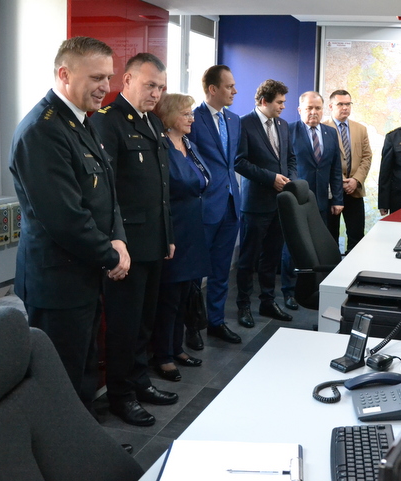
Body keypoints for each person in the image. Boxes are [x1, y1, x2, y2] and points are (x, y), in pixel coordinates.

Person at [9, 37, 129, 417]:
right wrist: (112, 255)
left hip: (83, 273)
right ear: (64, 74)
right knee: (59, 382)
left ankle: (85, 443)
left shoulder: (80, 120)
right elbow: (64, 218)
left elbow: (107, 192)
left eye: (108, 77)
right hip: (57, 282)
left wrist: (119, 240)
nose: (105, 87)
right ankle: (63, 449)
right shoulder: (42, 130)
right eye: (96, 77)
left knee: (83, 371)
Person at [90, 53, 177, 427]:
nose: (156, 93)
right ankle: (121, 395)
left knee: (144, 321)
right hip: (126, 245)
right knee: (124, 326)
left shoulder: (152, 122)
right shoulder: (108, 121)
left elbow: (161, 189)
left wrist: (167, 235)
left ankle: (140, 382)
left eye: (161, 87)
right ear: (126, 81)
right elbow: (104, 192)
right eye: (149, 85)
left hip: (154, 241)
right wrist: (114, 242)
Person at [150, 93, 209, 382]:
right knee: (169, 297)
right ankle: (162, 356)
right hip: (173, 229)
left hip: (193, 229)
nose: (191, 119)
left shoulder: (189, 144)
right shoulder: (160, 147)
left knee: (185, 294)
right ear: (170, 116)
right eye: (186, 114)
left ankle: (176, 348)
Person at [187, 65, 243, 345]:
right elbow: (188, 161)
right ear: (212, 89)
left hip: (231, 204)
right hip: (205, 205)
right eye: (229, 86)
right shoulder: (193, 119)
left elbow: (231, 162)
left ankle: (216, 322)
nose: (235, 91)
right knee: (195, 272)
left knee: (221, 270)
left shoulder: (234, 119)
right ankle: (192, 327)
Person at [235, 79, 297, 327]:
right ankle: (243, 306)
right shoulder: (243, 123)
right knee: (248, 259)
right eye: (279, 102)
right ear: (264, 101)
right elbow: (239, 162)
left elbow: (290, 159)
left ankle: (267, 302)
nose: (283, 106)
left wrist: (290, 179)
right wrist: (271, 178)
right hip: (255, 204)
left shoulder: (283, 125)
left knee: (271, 257)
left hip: (279, 203)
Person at [282, 91, 343, 310]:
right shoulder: (289, 130)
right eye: (309, 108)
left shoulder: (330, 132)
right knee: (293, 248)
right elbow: (285, 165)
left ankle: (316, 288)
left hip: (321, 202)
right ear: (300, 110)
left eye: (317, 108)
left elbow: (336, 169)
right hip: (296, 200)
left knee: (317, 247)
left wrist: (338, 198)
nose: (313, 112)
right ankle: (289, 291)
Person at [323, 89, 372, 253]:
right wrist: (341, 181)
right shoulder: (323, 128)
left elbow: (367, 157)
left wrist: (356, 180)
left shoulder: (360, 129)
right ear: (331, 106)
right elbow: (323, 160)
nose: (345, 107)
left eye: (348, 104)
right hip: (331, 192)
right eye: (340, 104)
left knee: (356, 236)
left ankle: (354, 267)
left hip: (354, 190)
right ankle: (332, 267)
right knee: (330, 236)